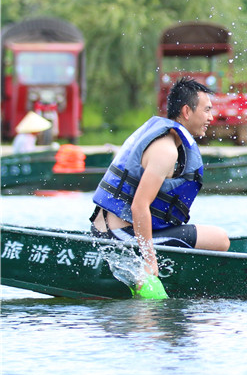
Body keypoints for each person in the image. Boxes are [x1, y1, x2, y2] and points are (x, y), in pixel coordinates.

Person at [90, 77, 230, 279]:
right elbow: (139, 206)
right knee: (220, 239)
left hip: (113, 228)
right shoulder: (166, 151)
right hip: (118, 235)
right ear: (186, 111)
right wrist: (149, 261)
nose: (211, 117)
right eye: (206, 110)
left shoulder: (168, 140)